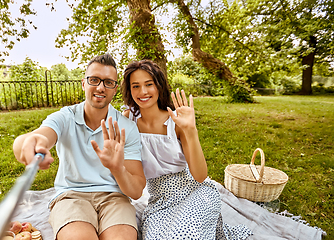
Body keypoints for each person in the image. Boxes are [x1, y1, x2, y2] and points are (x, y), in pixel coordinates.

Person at [13, 53, 146, 240]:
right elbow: (40, 136)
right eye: (94, 80)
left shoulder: (126, 128)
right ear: (84, 83)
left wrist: (117, 169)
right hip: (71, 196)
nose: (100, 87)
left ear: (115, 89)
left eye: (108, 82)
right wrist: (29, 142)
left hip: (114, 197)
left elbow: (137, 191)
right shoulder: (65, 117)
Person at [121, 59, 252, 240]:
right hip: (159, 200)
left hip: (195, 191)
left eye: (148, 84)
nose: (142, 92)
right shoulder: (128, 119)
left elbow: (200, 175)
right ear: (129, 90)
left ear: (159, 85)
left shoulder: (177, 121)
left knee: (184, 236)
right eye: (135, 86)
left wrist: (191, 131)